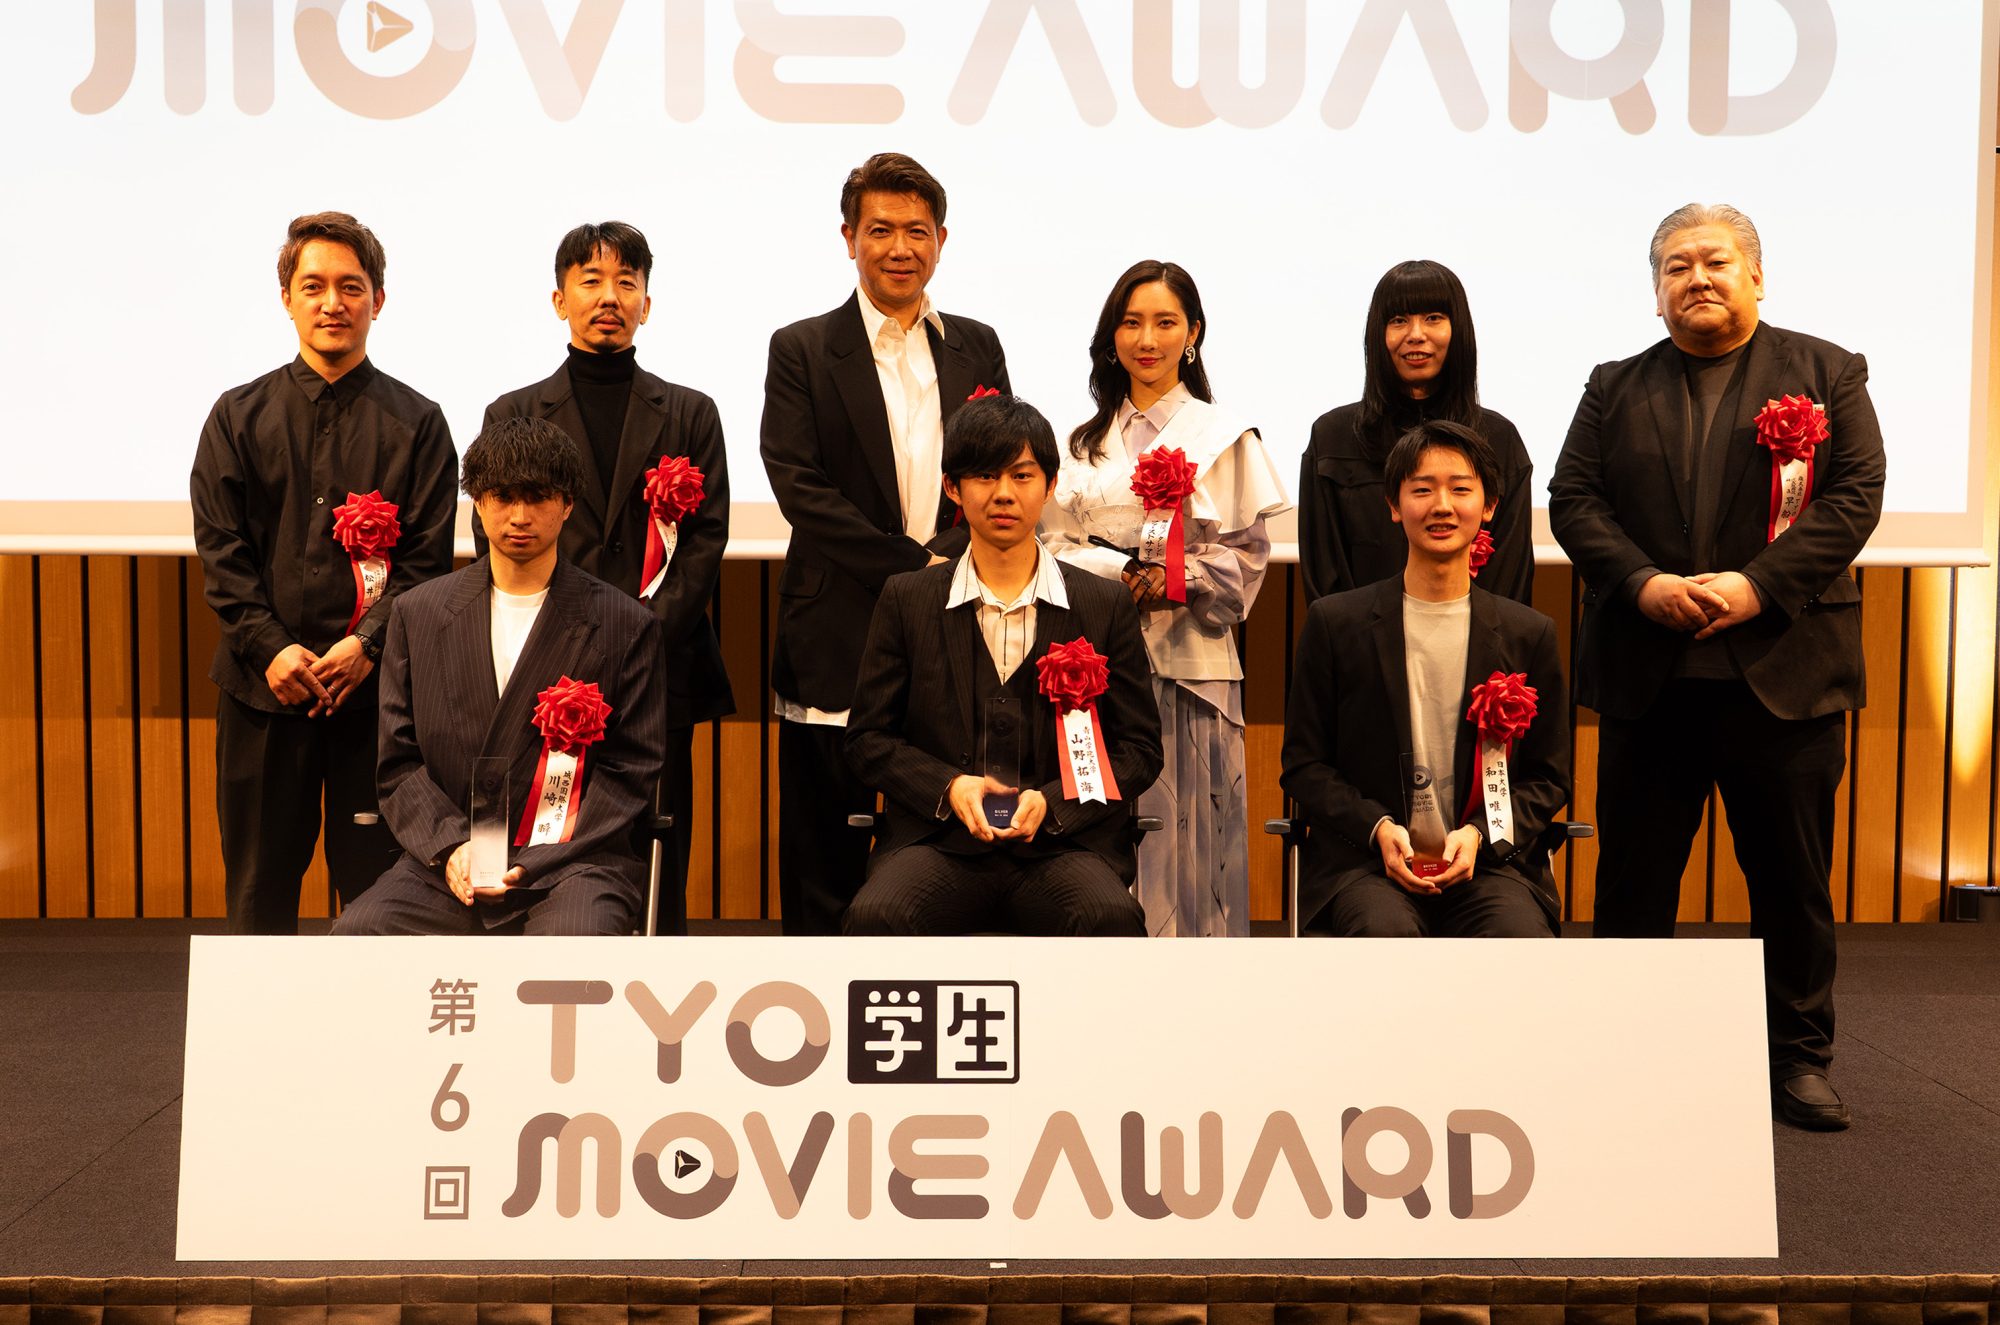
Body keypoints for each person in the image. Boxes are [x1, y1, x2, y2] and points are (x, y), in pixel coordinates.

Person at [1548, 202, 1885, 1131]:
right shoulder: (1614, 385)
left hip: (1785, 672)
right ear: (1655, 292)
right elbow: (1573, 499)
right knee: (1633, 882)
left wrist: (1756, 585)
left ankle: (1798, 1058)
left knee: (1791, 881)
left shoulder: (1827, 372)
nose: (1695, 278)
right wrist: (1643, 584)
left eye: (1715, 261)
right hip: (1648, 673)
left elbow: (1855, 494)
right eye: (1675, 266)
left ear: (1757, 277)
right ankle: (1627, 1056)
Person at [761, 152, 1012, 934]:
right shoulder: (802, 347)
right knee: (823, 857)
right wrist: (915, 567)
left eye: (916, 230)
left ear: (942, 239)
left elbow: (1002, 469)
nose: (899, 248)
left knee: (943, 855)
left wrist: (948, 557)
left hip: (955, 625)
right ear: (848, 239)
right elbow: (800, 486)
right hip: (836, 627)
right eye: (880, 230)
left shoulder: (977, 345)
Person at [190, 211, 457, 935]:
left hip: (373, 701)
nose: (332, 302)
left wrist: (367, 645)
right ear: (287, 298)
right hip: (261, 692)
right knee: (258, 888)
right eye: (313, 286)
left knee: (380, 894)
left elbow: (427, 562)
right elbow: (222, 552)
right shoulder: (237, 416)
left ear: (378, 299)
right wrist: (270, 647)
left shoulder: (419, 423)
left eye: (351, 286)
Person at [480, 221, 733, 936]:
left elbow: (705, 539)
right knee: (545, 836)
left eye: (626, 282)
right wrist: (572, 647)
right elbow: (498, 536)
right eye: (590, 281)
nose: (609, 297)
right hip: (546, 669)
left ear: (646, 304)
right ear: (559, 299)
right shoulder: (514, 413)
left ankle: (662, 976)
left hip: (662, 664)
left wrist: (640, 641)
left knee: (660, 842)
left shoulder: (689, 412)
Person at [333, 418, 665, 936]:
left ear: (568, 504)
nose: (519, 516)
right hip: (448, 864)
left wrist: (532, 863)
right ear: (478, 503)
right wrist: (452, 849)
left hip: (572, 866)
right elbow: (399, 761)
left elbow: (630, 769)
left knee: (574, 944)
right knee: (361, 933)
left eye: (538, 498)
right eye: (503, 497)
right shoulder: (418, 614)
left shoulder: (624, 623)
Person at [843, 395, 1160, 936]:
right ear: (953, 488)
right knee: (878, 916)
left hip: (1062, 846)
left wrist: (1052, 803)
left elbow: (1138, 750)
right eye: (985, 476)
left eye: (1022, 475)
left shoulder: (1102, 604)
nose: (1004, 493)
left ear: (1050, 485)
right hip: (938, 845)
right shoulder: (907, 598)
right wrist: (950, 787)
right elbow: (868, 739)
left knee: (1108, 917)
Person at [1041, 260, 1290, 937]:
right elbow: (1051, 546)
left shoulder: (1226, 437)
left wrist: (1177, 577)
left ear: (1193, 333)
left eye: (1164, 323)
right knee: (1099, 833)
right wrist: (1116, 572)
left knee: (1196, 845)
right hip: (1092, 668)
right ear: (1111, 336)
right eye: (1131, 323)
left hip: (1193, 662)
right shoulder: (1076, 446)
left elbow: (1247, 558)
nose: (1146, 339)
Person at [1281, 421, 1570, 937]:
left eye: (1460, 489)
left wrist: (1479, 836)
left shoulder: (1528, 634)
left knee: (1517, 939)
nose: (1441, 506)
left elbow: (1548, 779)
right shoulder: (1336, 624)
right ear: (1394, 505)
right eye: (1421, 490)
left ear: (1489, 506)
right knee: (1384, 935)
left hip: (1489, 866)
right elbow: (1305, 766)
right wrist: (1377, 828)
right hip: (1367, 865)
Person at [1297, 260, 1535, 605]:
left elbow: (1510, 577)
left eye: (1433, 318)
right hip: (1355, 635)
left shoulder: (1499, 440)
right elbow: (1323, 571)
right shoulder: (1333, 437)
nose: (1416, 334)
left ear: (1459, 329)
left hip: (1476, 635)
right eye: (1398, 320)